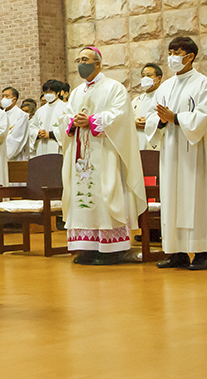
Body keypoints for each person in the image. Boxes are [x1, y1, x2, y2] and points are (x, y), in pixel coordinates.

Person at [59, 47, 146, 266]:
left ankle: (111, 250)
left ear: (97, 63)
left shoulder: (114, 88)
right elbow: (65, 117)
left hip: (105, 153)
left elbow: (121, 117)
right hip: (81, 156)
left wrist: (92, 120)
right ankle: (87, 248)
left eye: (85, 59)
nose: (81, 64)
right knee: (82, 198)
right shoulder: (77, 92)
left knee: (106, 194)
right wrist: (72, 122)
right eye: (79, 60)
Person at [144, 37, 207, 270]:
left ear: (190, 57)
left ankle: (203, 253)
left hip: (197, 153)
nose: (172, 57)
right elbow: (153, 116)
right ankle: (176, 252)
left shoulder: (204, 85)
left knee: (198, 200)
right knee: (171, 199)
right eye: (170, 52)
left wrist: (175, 118)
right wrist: (160, 121)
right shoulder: (165, 87)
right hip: (171, 152)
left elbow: (206, 116)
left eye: (176, 53)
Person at [132, 64, 164, 151]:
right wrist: (134, 123)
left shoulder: (165, 98)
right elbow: (127, 120)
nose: (145, 78)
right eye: (143, 76)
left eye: (149, 75)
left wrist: (151, 122)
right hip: (138, 146)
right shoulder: (136, 101)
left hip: (157, 147)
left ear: (158, 78)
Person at [31, 80, 66, 157]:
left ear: (58, 93)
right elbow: (32, 126)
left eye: (50, 92)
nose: (47, 95)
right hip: (41, 146)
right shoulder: (40, 110)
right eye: (45, 92)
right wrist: (38, 133)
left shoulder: (65, 108)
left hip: (57, 147)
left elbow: (67, 128)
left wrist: (50, 134)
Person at [1, 87, 29, 162]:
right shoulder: (0, 114)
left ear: (14, 99)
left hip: (15, 156)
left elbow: (17, 138)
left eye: (7, 96)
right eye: (2, 96)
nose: (3, 99)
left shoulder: (22, 115)